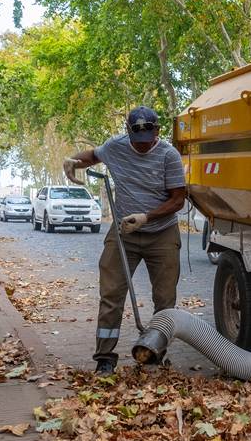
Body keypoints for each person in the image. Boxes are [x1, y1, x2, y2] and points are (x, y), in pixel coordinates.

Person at [63, 106, 187, 374]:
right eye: (137, 141)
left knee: (165, 299)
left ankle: (155, 352)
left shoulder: (169, 155)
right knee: (111, 294)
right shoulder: (116, 147)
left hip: (162, 233)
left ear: (157, 131)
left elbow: (178, 199)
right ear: (128, 132)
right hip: (123, 234)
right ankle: (105, 358)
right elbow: (92, 156)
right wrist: (72, 161)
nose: (142, 146)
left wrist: (147, 217)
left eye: (148, 140)